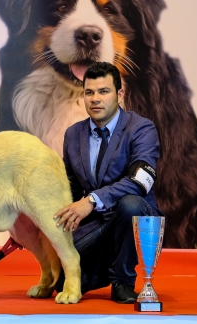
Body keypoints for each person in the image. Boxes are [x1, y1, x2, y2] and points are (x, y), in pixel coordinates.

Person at [54, 61, 164, 304]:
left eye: (104, 91)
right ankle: (97, 270)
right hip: (97, 223)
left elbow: (140, 182)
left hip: (134, 217)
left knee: (131, 203)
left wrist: (92, 200)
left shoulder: (142, 128)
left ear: (120, 94)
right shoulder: (73, 134)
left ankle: (122, 282)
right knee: (60, 283)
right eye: (89, 92)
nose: (95, 99)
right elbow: (69, 188)